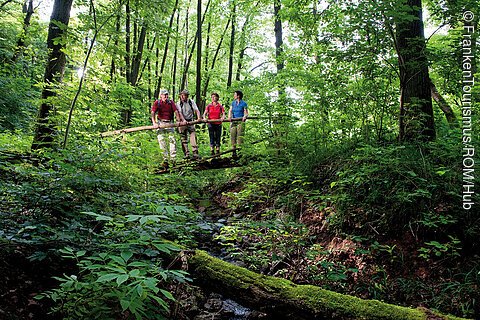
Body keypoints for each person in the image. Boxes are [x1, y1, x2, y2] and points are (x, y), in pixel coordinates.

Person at [151, 89, 186, 164]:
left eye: (166, 94)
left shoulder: (171, 102)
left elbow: (176, 111)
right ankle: (165, 159)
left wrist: (178, 121)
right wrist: (154, 122)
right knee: (161, 140)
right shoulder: (157, 103)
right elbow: (153, 112)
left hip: (170, 123)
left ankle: (173, 159)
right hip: (160, 123)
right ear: (161, 95)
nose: (165, 96)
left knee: (172, 140)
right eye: (164, 95)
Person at [176, 90, 201, 159]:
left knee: (193, 135)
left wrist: (199, 118)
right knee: (183, 137)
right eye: (182, 95)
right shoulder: (178, 103)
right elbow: (179, 113)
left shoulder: (191, 102)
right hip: (182, 122)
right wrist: (183, 120)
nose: (183, 97)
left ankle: (195, 152)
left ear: (187, 96)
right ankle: (186, 153)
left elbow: (196, 110)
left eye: (185, 95)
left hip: (190, 121)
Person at [228, 90, 248, 158]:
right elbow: (230, 111)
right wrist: (229, 116)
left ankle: (240, 153)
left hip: (240, 122)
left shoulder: (243, 103)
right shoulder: (233, 103)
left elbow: (246, 112)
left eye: (235, 94)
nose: (234, 96)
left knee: (240, 137)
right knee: (233, 136)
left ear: (238, 96)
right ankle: (234, 152)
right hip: (233, 122)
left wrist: (245, 116)